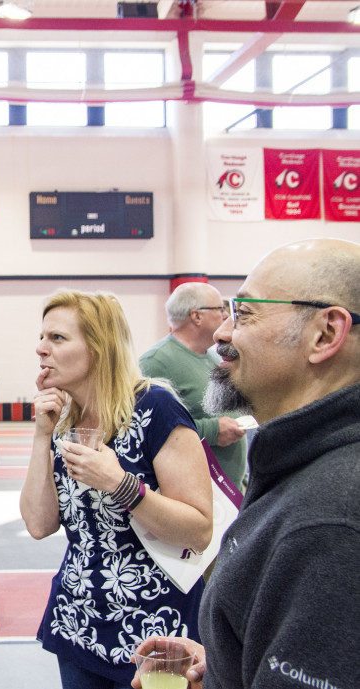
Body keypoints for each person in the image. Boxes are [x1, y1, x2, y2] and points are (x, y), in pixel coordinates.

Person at [133, 238, 360, 689]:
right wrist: (224, 662)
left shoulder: (330, 522)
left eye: (246, 314)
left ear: (325, 334)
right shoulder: (302, 467)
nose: (223, 333)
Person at [20, 289, 213, 688]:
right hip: (79, 622)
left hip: (156, 630)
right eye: (42, 337)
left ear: (99, 347)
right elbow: (39, 525)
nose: (41, 349)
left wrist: (120, 484)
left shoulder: (156, 409)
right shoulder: (65, 419)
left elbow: (199, 531)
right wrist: (42, 436)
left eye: (57, 338)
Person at [139, 282, 248, 490]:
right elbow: (146, 431)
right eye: (219, 309)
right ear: (196, 316)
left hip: (231, 491)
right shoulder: (156, 362)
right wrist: (213, 430)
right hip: (196, 494)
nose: (225, 316)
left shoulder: (214, 357)